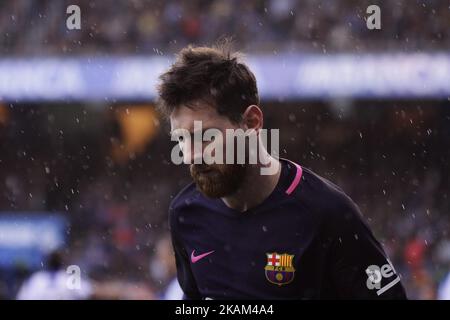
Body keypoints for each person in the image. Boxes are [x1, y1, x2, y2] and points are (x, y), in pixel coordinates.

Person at [156, 40, 407, 299]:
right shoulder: (186, 214)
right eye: (182, 140)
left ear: (251, 122)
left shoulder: (326, 213)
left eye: (206, 136)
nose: (192, 156)